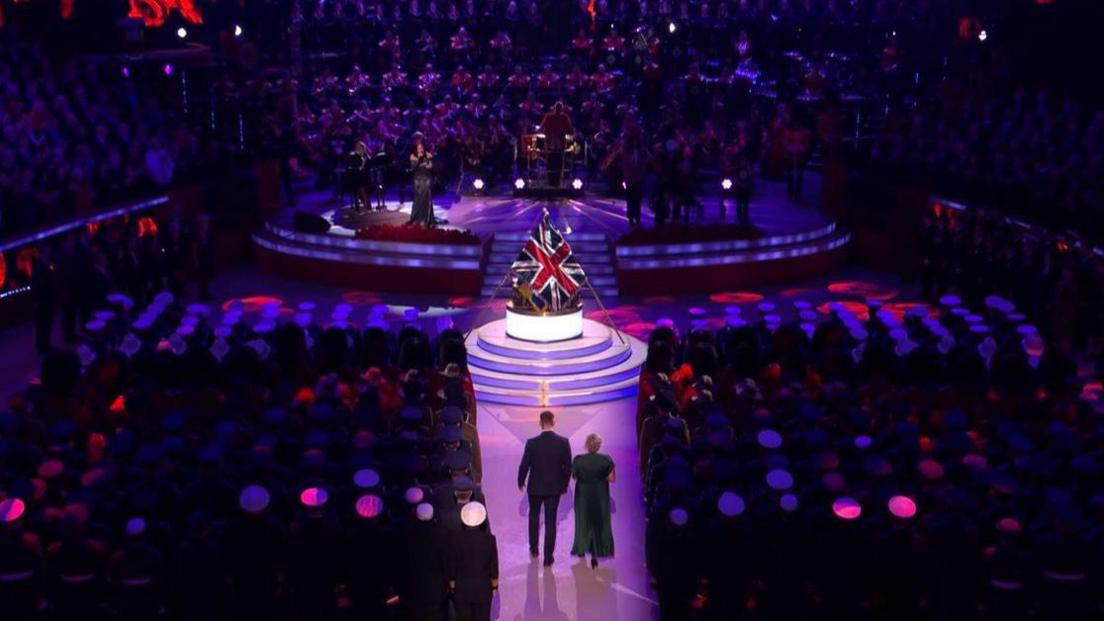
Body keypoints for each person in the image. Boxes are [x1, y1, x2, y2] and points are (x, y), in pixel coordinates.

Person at [517, 410, 572, 566]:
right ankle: (548, 557)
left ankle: (534, 549)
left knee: (533, 517)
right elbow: (568, 467)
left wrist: (520, 481)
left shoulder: (532, 443)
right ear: (553, 422)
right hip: (554, 489)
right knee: (551, 521)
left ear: (540, 423)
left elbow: (524, 464)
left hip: (535, 488)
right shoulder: (563, 442)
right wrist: (564, 484)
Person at [570, 433, 615, 568]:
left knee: (583, 521)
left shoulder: (578, 460)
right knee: (598, 522)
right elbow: (612, 479)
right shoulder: (606, 460)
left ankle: (582, 549)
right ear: (598, 445)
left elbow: (574, 477)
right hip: (600, 494)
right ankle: (597, 552)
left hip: (583, 495)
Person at [449, 502, 498, 621]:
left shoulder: (455, 540)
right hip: (483, 590)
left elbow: (451, 563)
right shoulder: (489, 540)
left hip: (462, 590)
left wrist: (452, 584)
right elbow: (493, 565)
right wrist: (494, 585)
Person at [408, 133, 435, 226]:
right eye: (418, 147)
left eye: (421, 146)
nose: (420, 148)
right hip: (417, 180)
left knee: (427, 198)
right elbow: (413, 168)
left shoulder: (428, 155)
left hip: (426, 179)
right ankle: (416, 218)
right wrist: (419, 159)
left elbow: (431, 167)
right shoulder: (413, 156)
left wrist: (428, 165)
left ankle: (427, 219)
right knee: (418, 198)